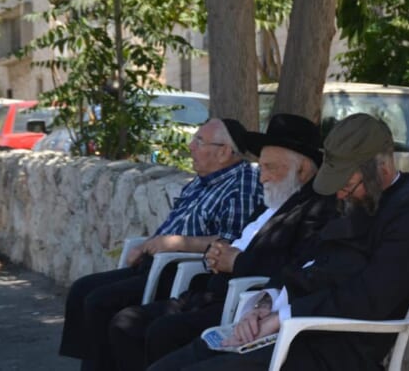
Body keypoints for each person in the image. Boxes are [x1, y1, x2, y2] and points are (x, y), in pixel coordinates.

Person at [149, 113, 409, 371]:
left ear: (383, 170)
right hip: (293, 331)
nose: (339, 195)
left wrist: (283, 317)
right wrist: (265, 303)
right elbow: (307, 260)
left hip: (332, 347)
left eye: (346, 185)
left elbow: (368, 298)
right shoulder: (360, 197)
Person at [108, 114, 337, 370]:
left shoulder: (315, 209)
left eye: (271, 168)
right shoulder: (271, 200)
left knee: (161, 332)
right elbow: (238, 240)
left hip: (241, 302)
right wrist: (217, 253)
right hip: (208, 291)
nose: (262, 177)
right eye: (261, 167)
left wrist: (237, 261)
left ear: (303, 170)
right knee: (126, 322)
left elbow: (293, 266)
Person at [59, 118, 265, 371]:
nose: (191, 146)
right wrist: (147, 244)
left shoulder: (241, 183)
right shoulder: (202, 181)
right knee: (82, 289)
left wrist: (178, 243)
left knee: (100, 302)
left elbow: (231, 240)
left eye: (199, 141)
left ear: (224, 152)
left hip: (180, 269)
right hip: (155, 262)